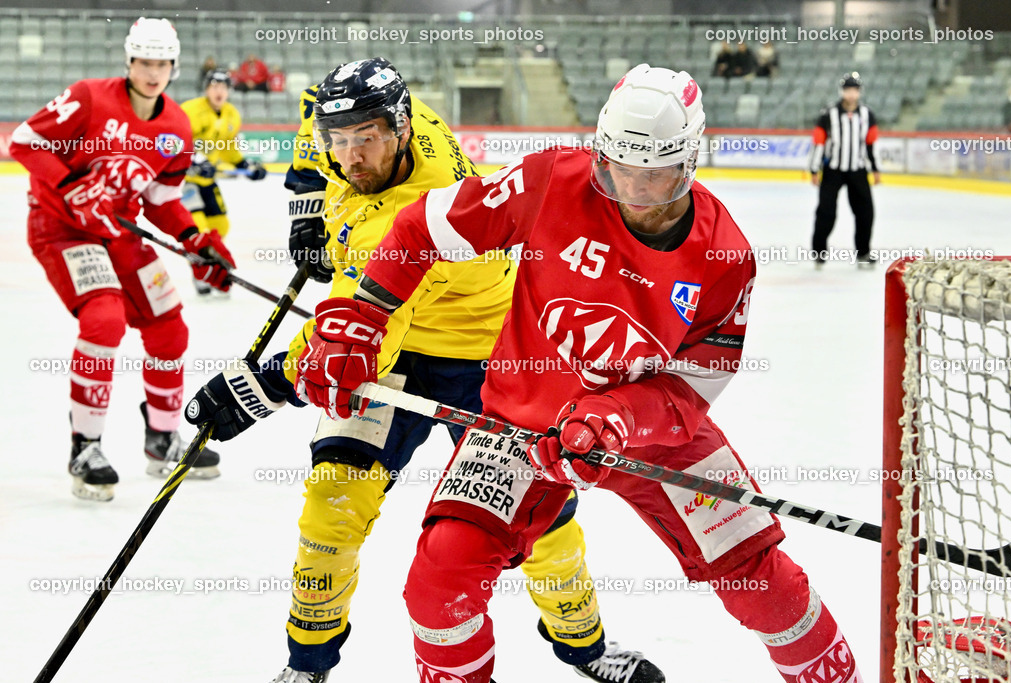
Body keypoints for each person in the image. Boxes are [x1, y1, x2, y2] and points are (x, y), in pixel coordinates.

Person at [289, 63, 866, 683]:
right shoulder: (551, 180)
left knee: (760, 581)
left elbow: (693, 389)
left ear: (690, 161)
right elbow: (422, 228)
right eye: (622, 167)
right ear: (601, 152)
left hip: (648, 436)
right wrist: (365, 312)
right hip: (520, 425)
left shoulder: (724, 256)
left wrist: (618, 415)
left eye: (657, 172)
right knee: (441, 581)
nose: (637, 191)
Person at [185, 58, 664, 683]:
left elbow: (361, 342)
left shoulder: (416, 214)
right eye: (342, 140)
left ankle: (588, 646)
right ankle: (306, 666)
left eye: (367, 140)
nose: (351, 157)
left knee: (542, 520)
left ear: (402, 130)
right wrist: (309, 210)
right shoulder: (381, 122)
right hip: (394, 329)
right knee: (333, 504)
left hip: (481, 351)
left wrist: (256, 388)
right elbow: (314, 126)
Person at [9, 17, 231, 501]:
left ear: (174, 67)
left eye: (162, 64)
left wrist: (196, 239)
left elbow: (161, 198)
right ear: (129, 61)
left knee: (169, 325)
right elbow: (24, 142)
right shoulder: (89, 96)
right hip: (62, 227)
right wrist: (70, 186)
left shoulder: (175, 126)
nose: (153, 72)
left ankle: (162, 438)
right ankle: (85, 447)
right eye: (144, 62)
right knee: (104, 321)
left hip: (119, 232)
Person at [180, 67, 267, 296]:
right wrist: (195, 159)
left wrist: (245, 166)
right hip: (184, 180)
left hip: (208, 181)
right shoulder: (190, 111)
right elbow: (175, 142)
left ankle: (209, 262)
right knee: (199, 228)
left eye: (223, 87)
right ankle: (201, 268)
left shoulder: (231, 114)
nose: (218, 91)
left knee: (221, 226)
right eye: (214, 86)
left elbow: (229, 150)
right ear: (206, 89)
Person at [809, 72, 880, 269]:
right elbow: (819, 143)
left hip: (857, 169)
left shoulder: (868, 115)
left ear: (859, 92)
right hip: (833, 169)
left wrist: (875, 169)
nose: (851, 94)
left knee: (866, 212)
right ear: (842, 92)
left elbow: (870, 144)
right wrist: (814, 169)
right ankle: (819, 252)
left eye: (854, 90)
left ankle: (863, 253)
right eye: (847, 90)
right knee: (826, 212)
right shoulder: (828, 114)